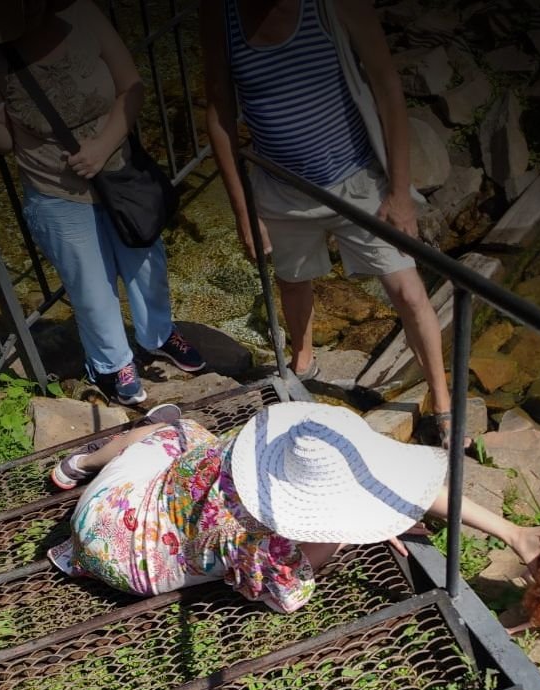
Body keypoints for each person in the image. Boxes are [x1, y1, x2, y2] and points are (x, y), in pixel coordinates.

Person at [47, 399, 540, 619]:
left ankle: (80, 466)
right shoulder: (272, 543)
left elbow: (379, 478)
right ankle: (84, 464)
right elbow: (288, 597)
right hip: (122, 557)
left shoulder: (242, 452)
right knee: (181, 429)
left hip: (120, 513)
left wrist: (511, 530)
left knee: (180, 431)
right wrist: (347, 534)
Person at [199, 0, 465, 447]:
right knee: (293, 280)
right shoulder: (219, 14)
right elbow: (219, 109)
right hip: (280, 186)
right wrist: (245, 211)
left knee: (408, 290)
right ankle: (303, 364)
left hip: (357, 179)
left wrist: (400, 193)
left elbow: (386, 87)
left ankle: (443, 402)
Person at [0, 0, 204, 406]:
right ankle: (113, 363)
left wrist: (101, 147)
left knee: (146, 264)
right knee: (91, 288)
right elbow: (4, 143)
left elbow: (132, 87)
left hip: (121, 174)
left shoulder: (85, 17)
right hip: (55, 190)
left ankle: (158, 335)